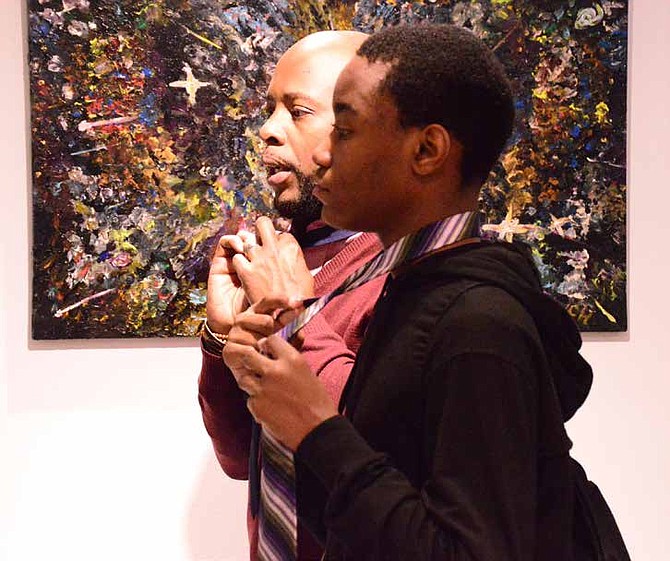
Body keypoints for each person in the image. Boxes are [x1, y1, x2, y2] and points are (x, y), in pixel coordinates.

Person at [223, 24, 596, 560]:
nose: (324, 155)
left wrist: (317, 426)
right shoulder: (414, 290)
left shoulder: (478, 323)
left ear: (426, 150)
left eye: (345, 131)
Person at [197, 30, 385, 560]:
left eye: (298, 111)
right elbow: (238, 457)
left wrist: (293, 318)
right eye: (270, 108)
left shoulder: (411, 273)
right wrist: (221, 337)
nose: (267, 130)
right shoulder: (284, 254)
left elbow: (375, 464)